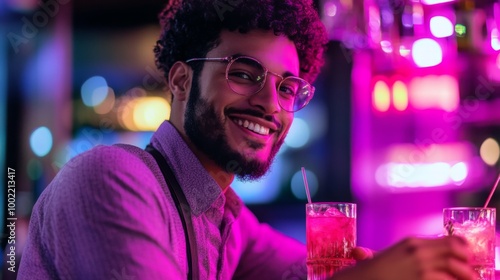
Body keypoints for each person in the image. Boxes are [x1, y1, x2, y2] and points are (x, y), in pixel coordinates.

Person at [18, 0, 474, 279]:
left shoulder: (227, 220)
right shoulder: (110, 178)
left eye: (287, 87)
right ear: (180, 81)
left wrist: (377, 269)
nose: (270, 104)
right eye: (243, 73)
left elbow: (310, 272)